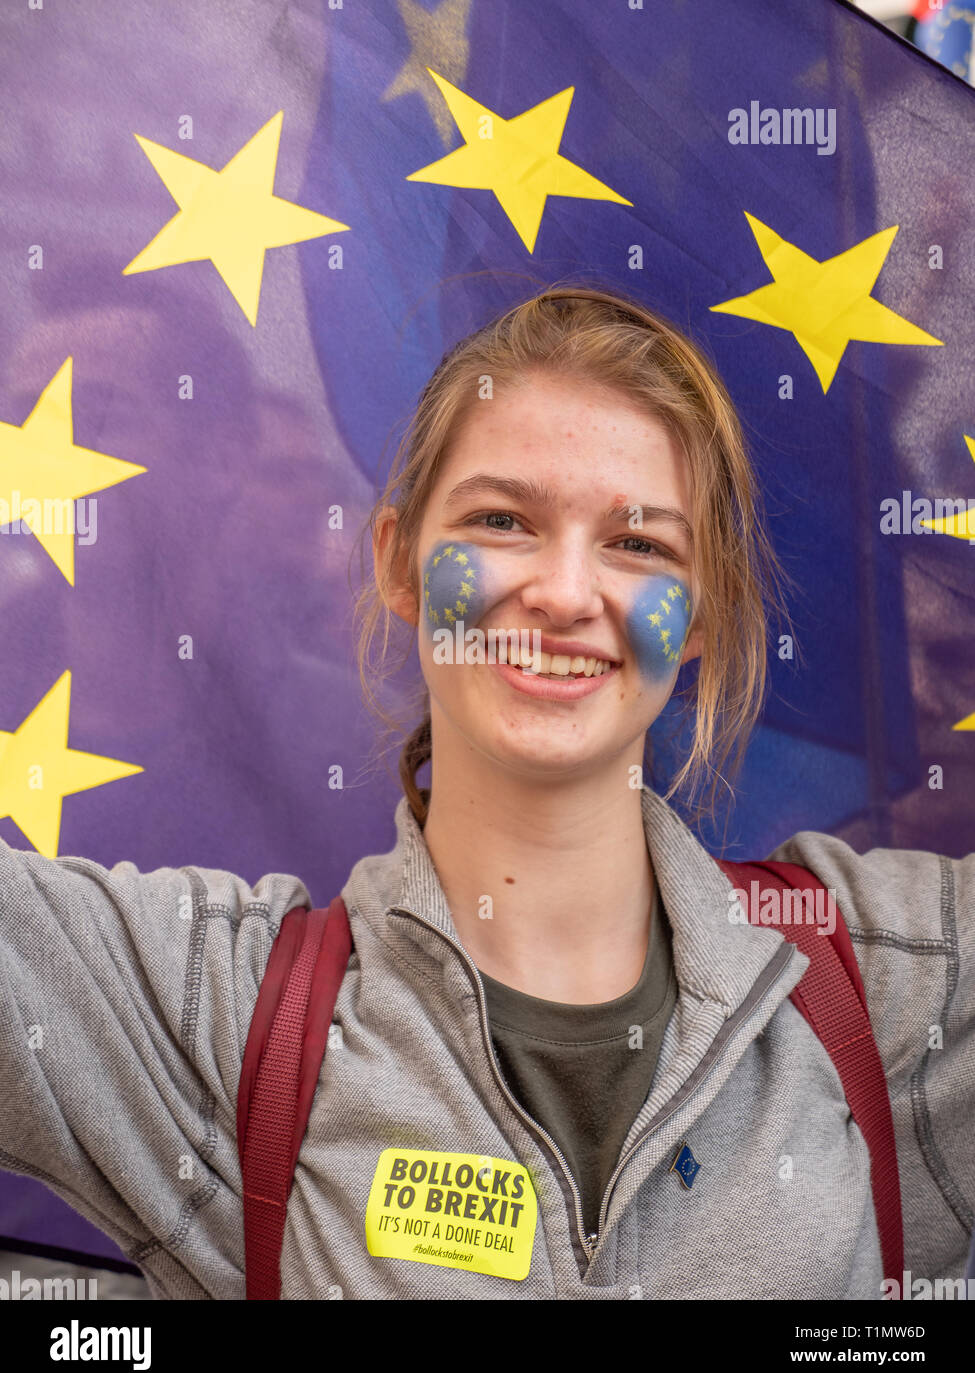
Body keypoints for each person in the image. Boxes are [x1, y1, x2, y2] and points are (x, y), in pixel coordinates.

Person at [0, 286, 972, 1300]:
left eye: (639, 544)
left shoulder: (879, 978)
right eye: (502, 520)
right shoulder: (219, 1018)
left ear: (699, 617)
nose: (561, 592)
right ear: (399, 564)